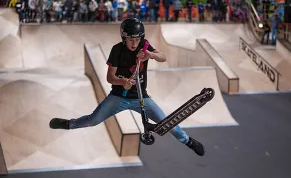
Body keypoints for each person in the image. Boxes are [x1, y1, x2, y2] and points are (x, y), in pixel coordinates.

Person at [49, 18, 205, 157]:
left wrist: (151, 55)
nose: (134, 44)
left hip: (141, 97)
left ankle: (188, 141)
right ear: (124, 38)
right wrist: (122, 82)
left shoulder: (144, 46)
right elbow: (110, 77)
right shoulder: (117, 50)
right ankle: (69, 124)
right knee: (93, 120)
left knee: (167, 122)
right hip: (118, 97)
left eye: (137, 39)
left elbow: (163, 57)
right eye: (131, 40)